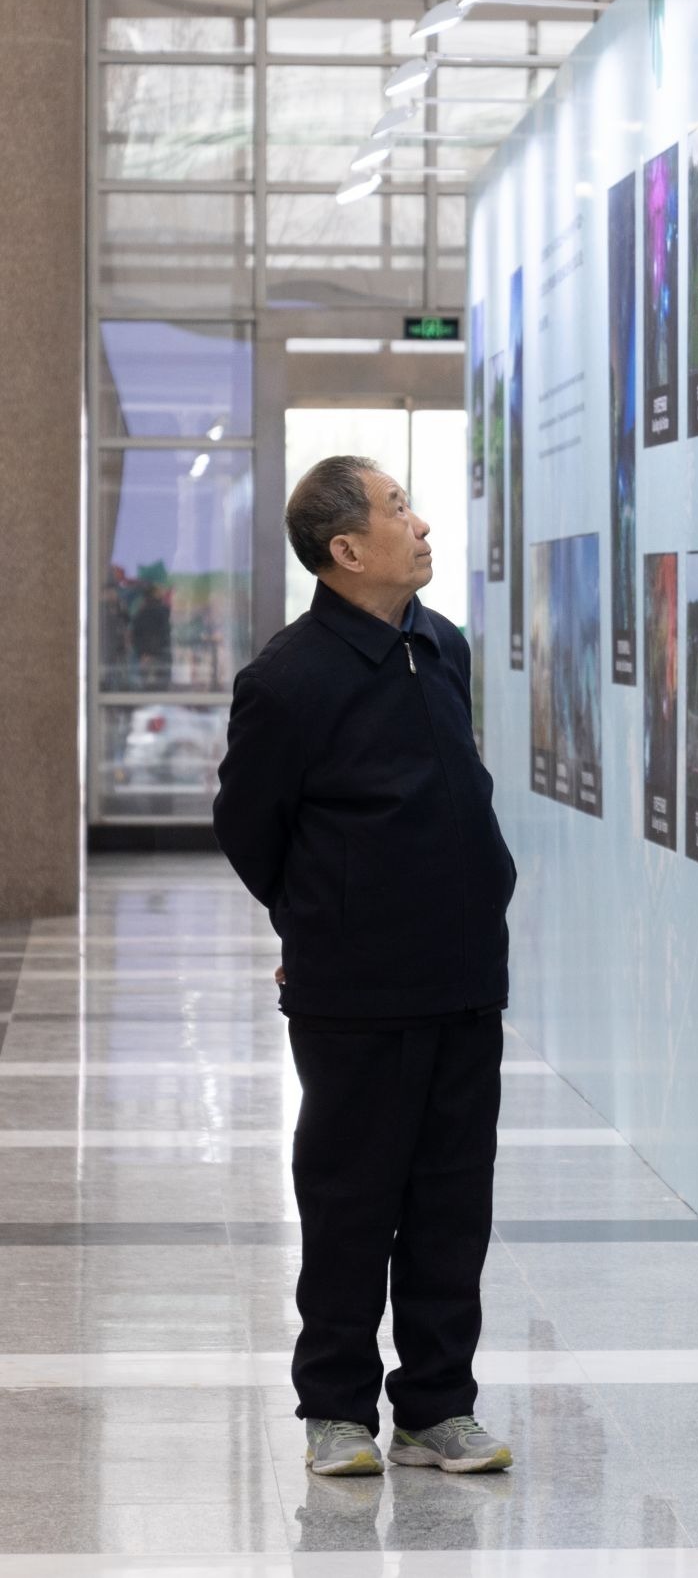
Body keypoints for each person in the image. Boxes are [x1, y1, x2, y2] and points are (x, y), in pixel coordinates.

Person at [213, 455, 517, 1478]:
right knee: (352, 1197)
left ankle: (439, 1404)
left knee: (452, 1199)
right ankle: (336, 1408)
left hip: (466, 976)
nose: (421, 523)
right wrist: (324, 919)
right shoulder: (288, 677)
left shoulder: (443, 644)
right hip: (355, 989)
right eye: (397, 511)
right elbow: (249, 825)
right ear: (346, 550)